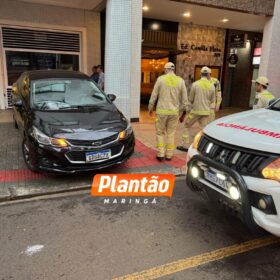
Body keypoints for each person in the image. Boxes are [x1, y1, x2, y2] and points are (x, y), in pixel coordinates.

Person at [148, 62, 188, 161]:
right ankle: (169, 155)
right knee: (171, 134)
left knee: (160, 133)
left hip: (161, 112)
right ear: (173, 70)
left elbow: (154, 95)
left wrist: (150, 108)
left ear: (166, 69)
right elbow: (185, 99)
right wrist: (183, 112)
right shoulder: (181, 81)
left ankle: (161, 153)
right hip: (174, 112)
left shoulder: (160, 79)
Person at [177, 66, 215, 152]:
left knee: (186, 126)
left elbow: (190, 100)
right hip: (206, 112)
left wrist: (185, 112)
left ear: (201, 74)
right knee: (204, 130)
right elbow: (213, 101)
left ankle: (185, 146)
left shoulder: (195, 84)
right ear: (209, 75)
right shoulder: (212, 86)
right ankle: (203, 147)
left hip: (196, 111)